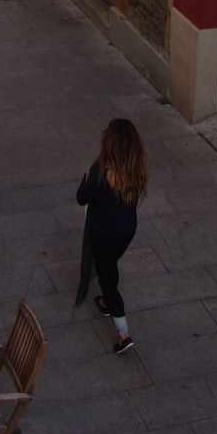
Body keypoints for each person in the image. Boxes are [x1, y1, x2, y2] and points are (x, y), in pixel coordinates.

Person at [74, 119, 147, 355]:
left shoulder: (100, 171)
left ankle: (123, 333)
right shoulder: (135, 170)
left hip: (103, 234)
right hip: (126, 232)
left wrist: (85, 180)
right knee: (109, 263)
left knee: (108, 277)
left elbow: (82, 198)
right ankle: (106, 298)